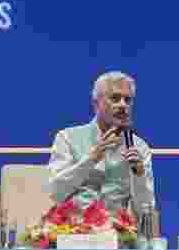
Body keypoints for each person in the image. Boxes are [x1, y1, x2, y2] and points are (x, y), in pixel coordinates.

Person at [46, 71, 158, 214]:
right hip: (73, 230)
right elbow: (55, 193)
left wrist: (139, 176)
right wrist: (91, 159)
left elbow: (145, 211)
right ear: (96, 103)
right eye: (115, 98)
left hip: (118, 231)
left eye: (128, 100)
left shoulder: (139, 147)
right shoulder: (67, 138)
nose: (123, 105)